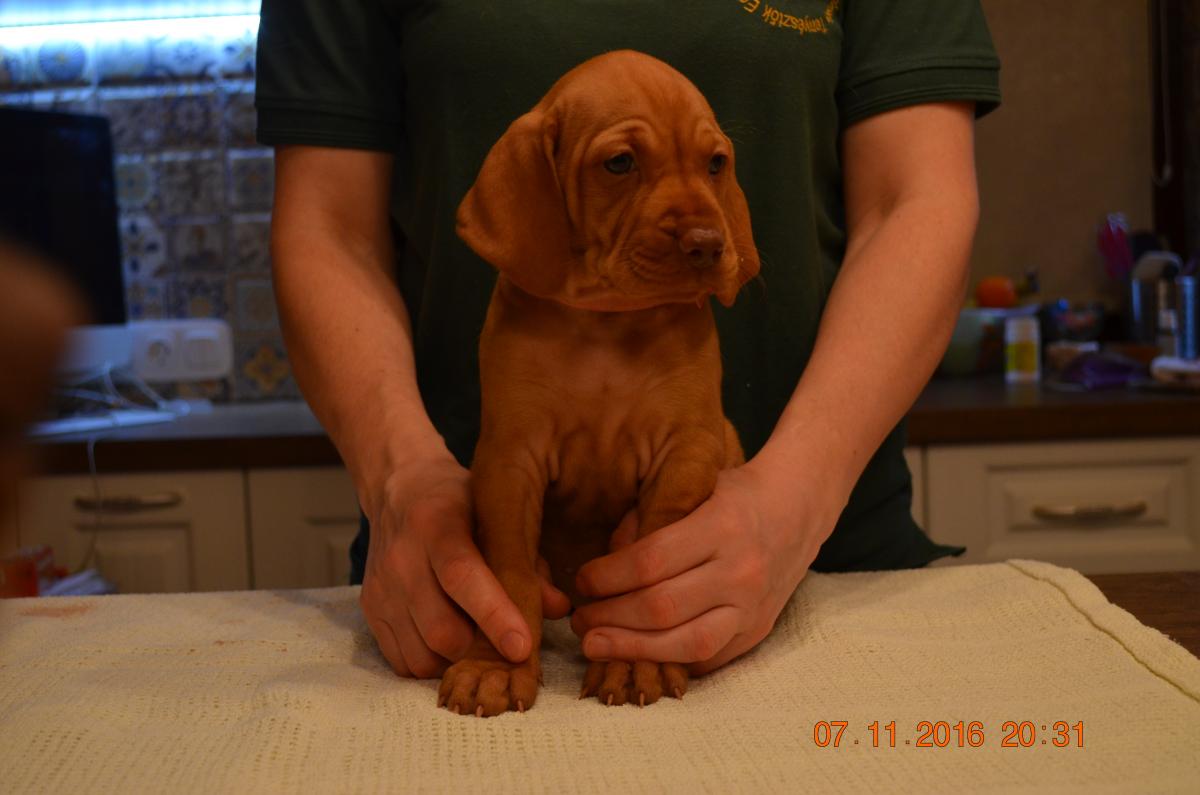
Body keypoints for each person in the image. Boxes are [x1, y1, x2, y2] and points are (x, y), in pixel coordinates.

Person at [255, 2, 1000, 680]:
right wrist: (399, 474)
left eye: (714, 165)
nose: (698, 226)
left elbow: (914, 200)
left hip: (826, 572)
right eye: (619, 164)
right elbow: (331, 229)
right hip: (458, 584)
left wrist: (795, 498)